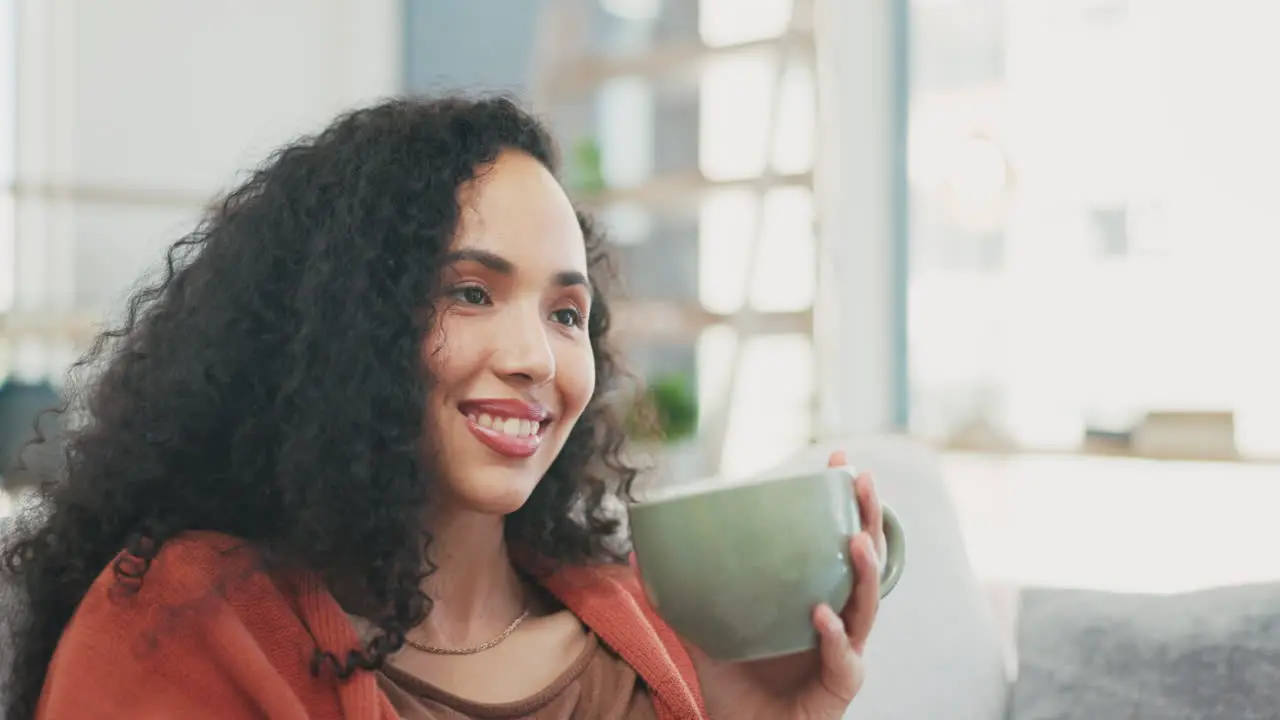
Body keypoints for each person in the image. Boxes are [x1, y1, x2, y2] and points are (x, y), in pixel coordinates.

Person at [0, 96, 887, 720]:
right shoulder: (186, 621)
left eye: (566, 314)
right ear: (345, 322)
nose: (535, 357)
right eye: (469, 294)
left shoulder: (645, 626)